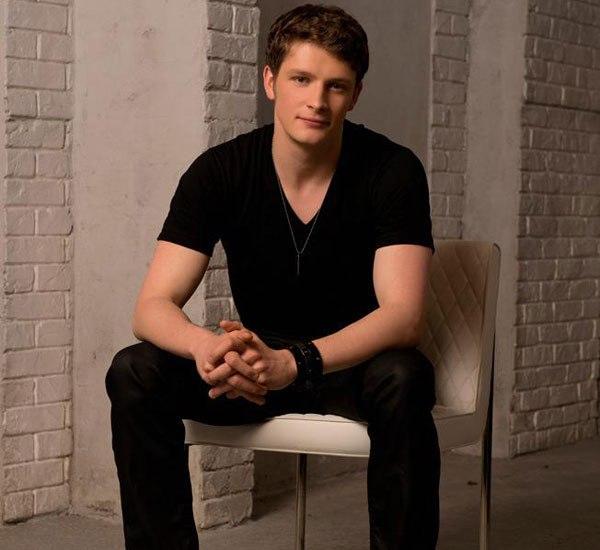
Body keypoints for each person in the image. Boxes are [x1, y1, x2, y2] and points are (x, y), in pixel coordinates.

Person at [105, 4, 440, 549]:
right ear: (270, 81)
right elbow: (151, 308)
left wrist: (297, 362)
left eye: (336, 85)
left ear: (355, 94)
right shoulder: (219, 171)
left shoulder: (392, 170)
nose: (317, 101)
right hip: (256, 370)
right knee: (134, 371)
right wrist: (205, 347)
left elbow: (403, 318)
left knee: (406, 376)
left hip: (351, 364)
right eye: (301, 79)